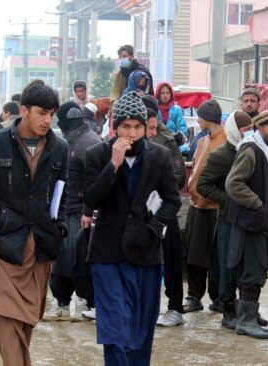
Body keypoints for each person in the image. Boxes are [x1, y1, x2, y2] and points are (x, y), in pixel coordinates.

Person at [0, 80, 68, 366]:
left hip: (41, 246)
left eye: (52, 113)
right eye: (41, 113)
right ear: (23, 110)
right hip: (4, 243)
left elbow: (63, 192)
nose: (48, 120)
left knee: (27, 319)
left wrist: (58, 228)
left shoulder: (59, 148)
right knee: (6, 312)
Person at [83, 91, 181, 365]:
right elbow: (90, 199)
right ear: (115, 127)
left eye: (137, 126)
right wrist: (113, 164)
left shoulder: (159, 156)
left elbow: (171, 201)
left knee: (141, 327)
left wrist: (153, 227)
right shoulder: (97, 154)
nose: (132, 133)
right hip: (107, 253)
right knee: (114, 326)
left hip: (145, 253)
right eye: (125, 126)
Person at [225, 110, 268, 340]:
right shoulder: (251, 149)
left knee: (257, 270)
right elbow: (233, 184)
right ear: (260, 129)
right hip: (250, 221)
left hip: (261, 220)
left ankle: (249, 317)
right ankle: (245, 321)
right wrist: (258, 204)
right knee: (251, 271)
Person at [44, 101, 101, 323]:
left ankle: (78, 305)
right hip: (72, 209)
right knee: (69, 258)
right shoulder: (81, 138)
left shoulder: (84, 142)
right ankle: (71, 304)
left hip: (79, 211)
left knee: (74, 259)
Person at [196, 111, 254, 330]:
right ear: (234, 131)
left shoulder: (253, 151)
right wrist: (229, 200)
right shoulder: (221, 155)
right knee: (227, 267)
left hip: (249, 219)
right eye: (245, 130)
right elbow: (203, 186)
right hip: (229, 220)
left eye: (251, 129)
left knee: (247, 266)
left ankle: (247, 310)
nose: (249, 134)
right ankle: (227, 309)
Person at [145, 108, 187, 327]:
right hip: (140, 217)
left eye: (154, 126)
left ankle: (175, 307)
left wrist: (159, 194)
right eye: (149, 127)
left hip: (163, 210)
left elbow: (179, 176)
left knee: (172, 257)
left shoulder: (166, 143)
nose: (152, 132)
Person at [184, 99, 226, 314]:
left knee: (217, 256)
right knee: (194, 254)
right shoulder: (202, 141)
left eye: (200, 116)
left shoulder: (225, 141)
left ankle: (218, 297)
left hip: (215, 206)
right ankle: (194, 295)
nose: (198, 119)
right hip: (196, 205)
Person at [155, 82, 187, 146]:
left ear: (171, 94)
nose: (165, 95)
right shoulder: (154, 108)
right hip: (157, 143)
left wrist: (178, 137)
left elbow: (182, 127)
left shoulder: (177, 109)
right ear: (158, 94)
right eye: (162, 93)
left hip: (173, 143)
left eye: (167, 93)